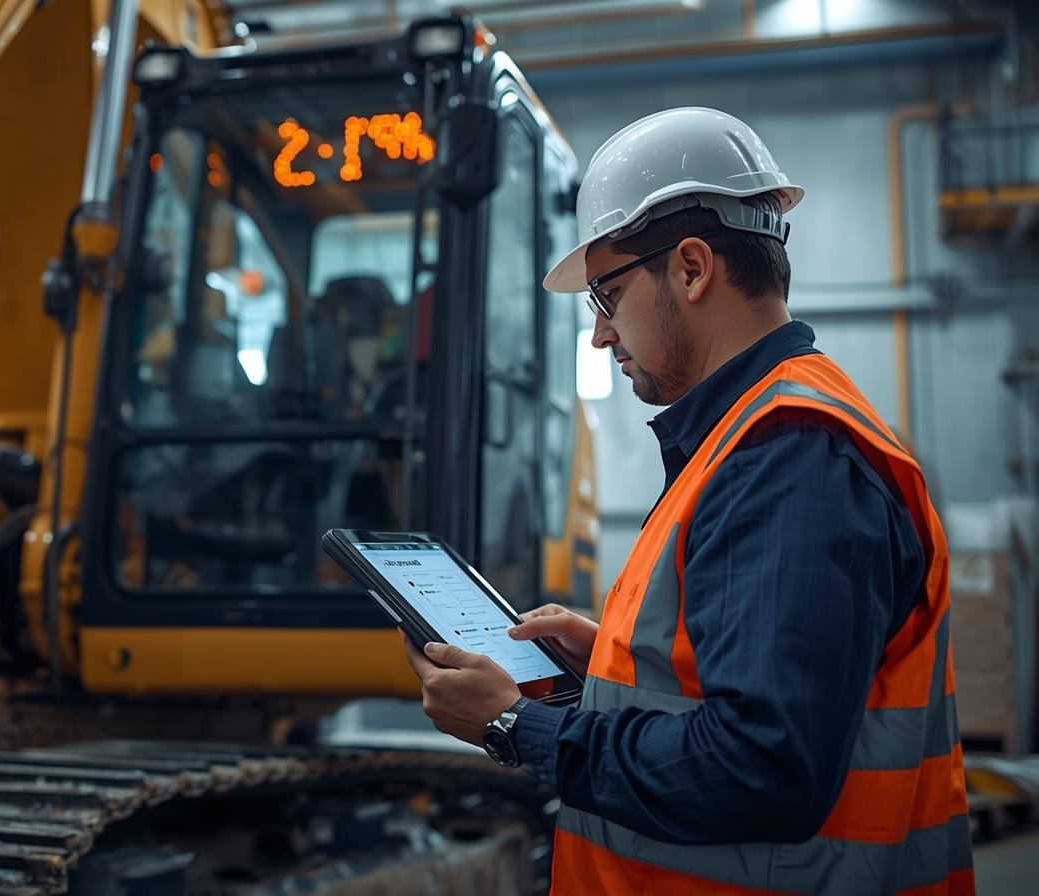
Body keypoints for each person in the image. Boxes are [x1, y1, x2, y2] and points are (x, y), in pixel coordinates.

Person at [403, 107, 974, 895]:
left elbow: (760, 768)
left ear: (693, 268)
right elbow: (762, 683)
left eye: (605, 294)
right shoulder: (761, 437)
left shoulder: (787, 454)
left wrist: (515, 724)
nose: (601, 335)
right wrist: (609, 658)